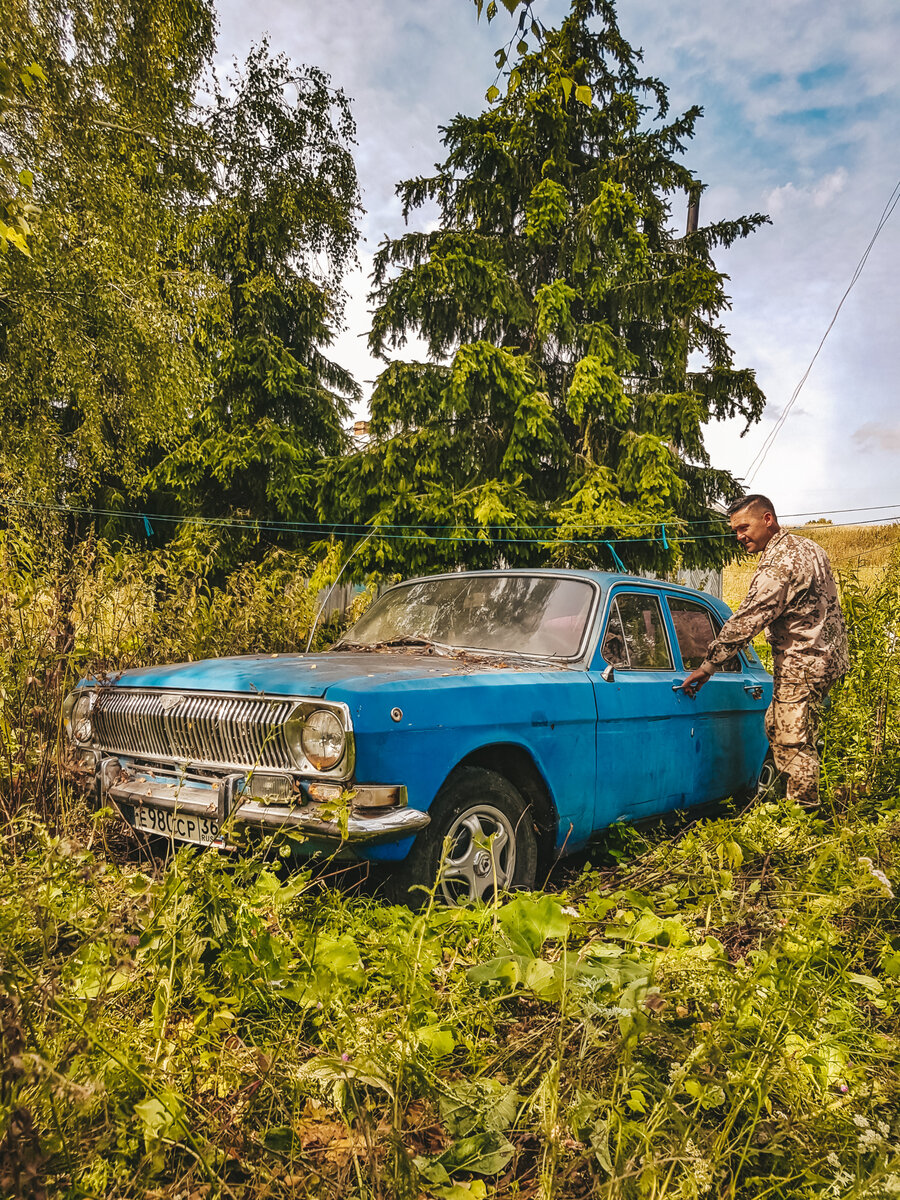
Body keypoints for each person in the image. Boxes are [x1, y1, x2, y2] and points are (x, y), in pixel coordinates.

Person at [679, 494, 849, 808]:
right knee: (781, 724)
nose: (739, 536)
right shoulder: (809, 547)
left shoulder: (779, 562)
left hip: (802, 662)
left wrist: (709, 666)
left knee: (790, 740)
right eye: (734, 530)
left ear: (767, 519)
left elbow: (748, 619)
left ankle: (802, 818)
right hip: (828, 658)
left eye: (744, 527)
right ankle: (796, 802)